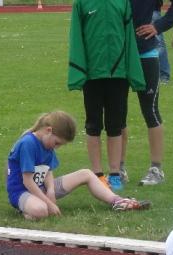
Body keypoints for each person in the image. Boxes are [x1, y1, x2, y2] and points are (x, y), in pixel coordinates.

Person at [6, 111, 150, 220]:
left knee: (86, 173)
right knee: (41, 211)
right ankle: (26, 209)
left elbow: (47, 171)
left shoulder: (48, 144)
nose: (57, 147)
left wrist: (50, 190)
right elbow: (28, 181)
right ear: (48, 130)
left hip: (40, 188)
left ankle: (117, 201)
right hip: (22, 191)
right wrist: (49, 204)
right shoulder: (28, 143)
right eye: (57, 143)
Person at [68, 0, 146, 193]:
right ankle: (98, 175)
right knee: (93, 125)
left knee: (115, 125)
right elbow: (76, 37)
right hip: (92, 75)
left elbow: (129, 38)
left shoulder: (123, 3)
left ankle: (114, 173)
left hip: (118, 75)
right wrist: (79, 71)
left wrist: (133, 72)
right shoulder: (81, 3)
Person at [119, 0, 173, 186]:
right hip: (118, 54)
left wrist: (158, 26)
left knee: (150, 111)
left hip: (145, 53)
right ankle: (118, 169)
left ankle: (156, 169)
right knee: (117, 113)